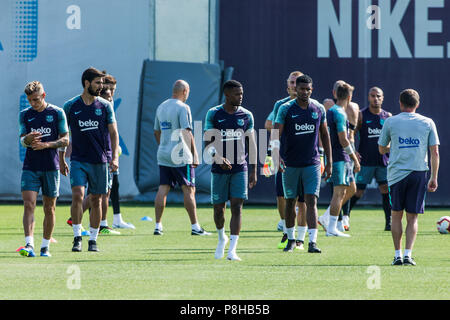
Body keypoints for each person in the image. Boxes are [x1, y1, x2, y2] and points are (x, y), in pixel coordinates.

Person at [60, 67, 120, 252]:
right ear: (87, 83)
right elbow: (64, 133)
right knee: (78, 195)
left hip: (100, 161)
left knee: (96, 200)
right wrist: (62, 158)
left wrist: (114, 158)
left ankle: (93, 240)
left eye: (102, 83)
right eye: (97, 83)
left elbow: (113, 132)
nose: (101, 86)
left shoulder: (105, 106)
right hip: (78, 160)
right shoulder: (71, 106)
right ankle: (77, 237)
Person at [271, 74, 332, 253]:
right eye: (301, 89)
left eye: (308, 89)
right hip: (290, 163)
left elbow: (325, 135)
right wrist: (276, 156)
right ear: (295, 89)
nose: (305, 92)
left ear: (311, 90)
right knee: (290, 201)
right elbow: (276, 134)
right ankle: (290, 239)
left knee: (311, 200)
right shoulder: (285, 109)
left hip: (312, 163)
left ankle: (312, 242)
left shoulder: (319, 108)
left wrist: (328, 161)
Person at [378, 89, 439, 266]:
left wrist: (395, 146)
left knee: (396, 215)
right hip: (419, 173)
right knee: (413, 217)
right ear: (417, 104)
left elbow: (382, 149)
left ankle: (397, 255)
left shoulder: (390, 121)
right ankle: (408, 255)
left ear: (400, 103)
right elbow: (434, 151)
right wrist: (434, 177)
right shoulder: (427, 122)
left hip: (396, 174)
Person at [204, 80, 257, 261]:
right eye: (236, 94)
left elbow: (251, 142)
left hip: (239, 168)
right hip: (218, 170)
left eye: (241, 93)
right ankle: (221, 238)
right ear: (227, 95)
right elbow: (207, 142)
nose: (240, 97)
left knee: (237, 206)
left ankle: (232, 250)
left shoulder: (247, 115)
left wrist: (254, 169)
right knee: (219, 209)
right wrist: (217, 157)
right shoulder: (213, 114)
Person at [75, 73, 134, 234]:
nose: (110, 92)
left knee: (108, 189)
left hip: (108, 153)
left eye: (113, 89)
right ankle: (80, 221)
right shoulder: (96, 103)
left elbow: (112, 131)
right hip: (100, 155)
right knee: (97, 192)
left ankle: (103, 223)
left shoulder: (107, 103)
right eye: (107, 88)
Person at [153, 80, 210, 236]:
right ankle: (195, 227)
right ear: (185, 91)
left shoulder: (161, 106)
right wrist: (195, 155)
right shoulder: (183, 108)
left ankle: (158, 226)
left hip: (163, 153)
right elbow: (187, 132)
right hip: (180, 155)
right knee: (189, 189)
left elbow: (156, 132)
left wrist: (164, 146)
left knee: (163, 187)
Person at [18, 81, 69, 257]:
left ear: (44, 96)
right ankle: (29, 244)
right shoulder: (25, 115)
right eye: (30, 100)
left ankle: (45, 246)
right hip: (31, 166)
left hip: (51, 166)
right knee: (29, 204)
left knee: (49, 207)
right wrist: (28, 139)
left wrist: (47, 145)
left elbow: (65, 140)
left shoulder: (56, 113)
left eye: (36, 99)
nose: (33, 103)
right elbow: (22, 140)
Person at [264, 71, 308, 249]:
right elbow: (270, 126)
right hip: (284, 157)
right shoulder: (280, 105)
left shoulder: (309, 105)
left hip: (304, 159)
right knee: (281, 195)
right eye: (291, 82)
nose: (294, 85)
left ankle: (301, 238)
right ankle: (285, 224)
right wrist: (270, 154)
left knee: (303, 200)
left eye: (297, 82)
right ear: (288, 84)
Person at [349, 87, 392, 231]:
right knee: (357, 192)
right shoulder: (361, 115)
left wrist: (390, 148)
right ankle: (345, 217)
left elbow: (393, 137)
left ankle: (389, 222)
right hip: (365, 161)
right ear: (368, 97)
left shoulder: (388, 116)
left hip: (383, 161)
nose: (375, 98)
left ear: (383, 97)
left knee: (385, 190)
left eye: (378, 96)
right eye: (372, 96)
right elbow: (352, 135)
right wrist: (354, 151)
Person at [325, 82, 360, 237]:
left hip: (339, 156)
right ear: (349, 97)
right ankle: (331, 227)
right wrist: (355, 159)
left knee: (351, 189)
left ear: (335, 94)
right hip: (340, 156)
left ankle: (326, 217)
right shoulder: (339, 113)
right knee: (338, 192)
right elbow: (343, 139)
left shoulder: (332, 111)